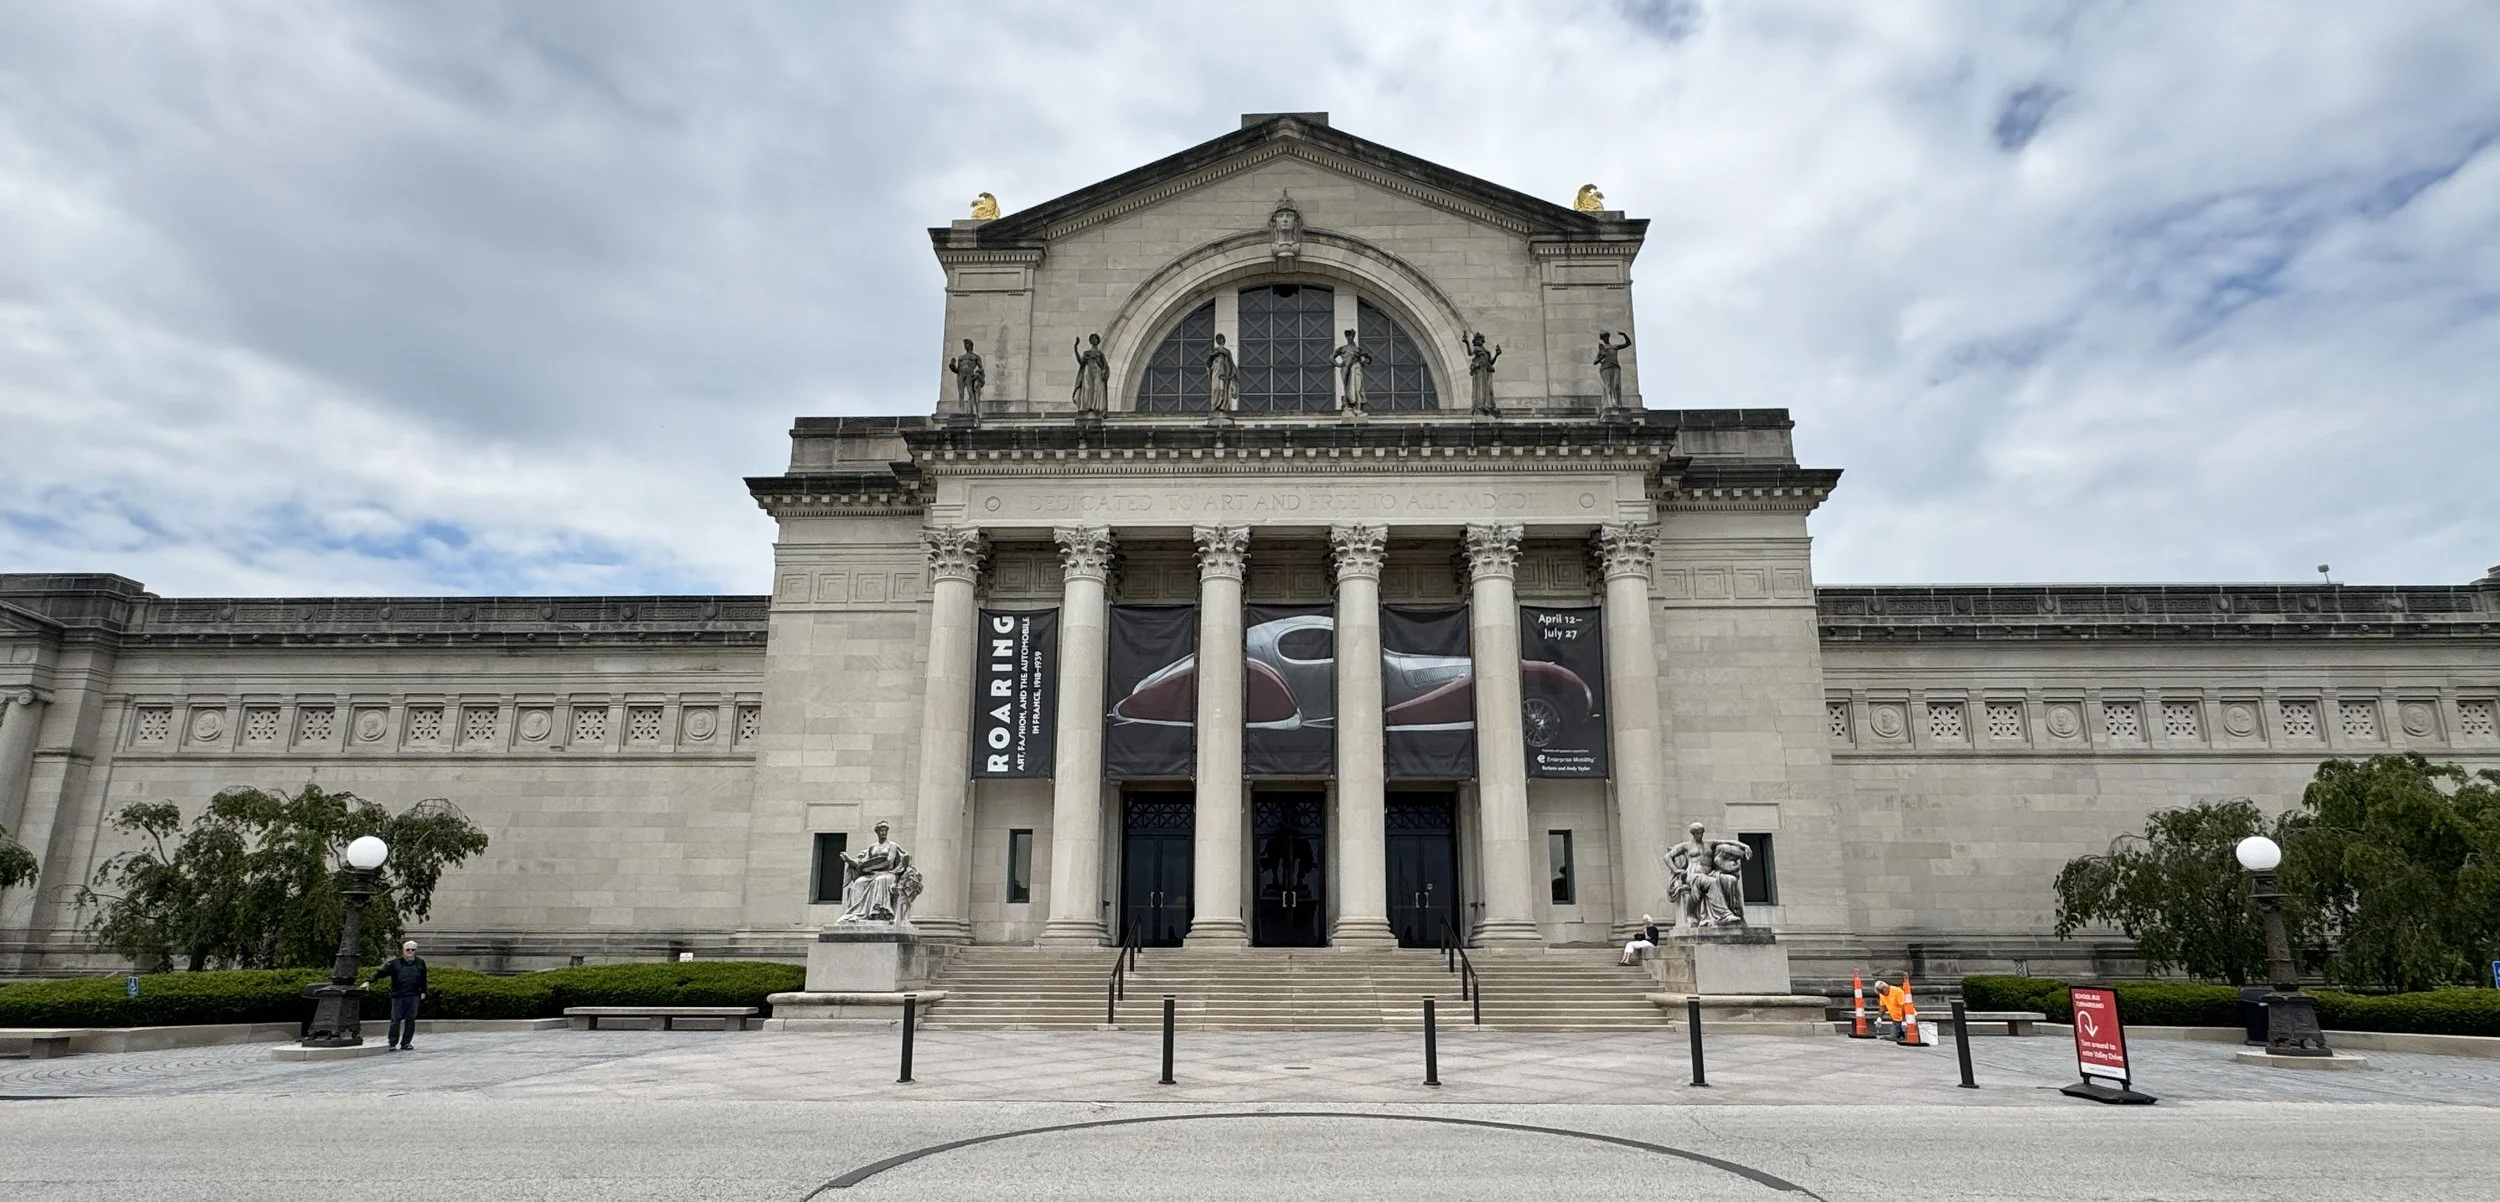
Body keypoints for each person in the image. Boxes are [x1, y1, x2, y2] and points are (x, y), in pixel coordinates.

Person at [370, 940, 428, 1051]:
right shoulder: (395, 963)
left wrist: (423, 992)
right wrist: (369, 980)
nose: (410, 951)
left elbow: (423, 978)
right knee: (395, 1019)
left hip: (414, 995)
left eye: (413, 949)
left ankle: (406, 1043)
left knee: (410, 1020)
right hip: (398, 995)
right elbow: (381, 972)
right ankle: (392, 1042)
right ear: (403, 950)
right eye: (408, 949)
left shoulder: (420, 963)